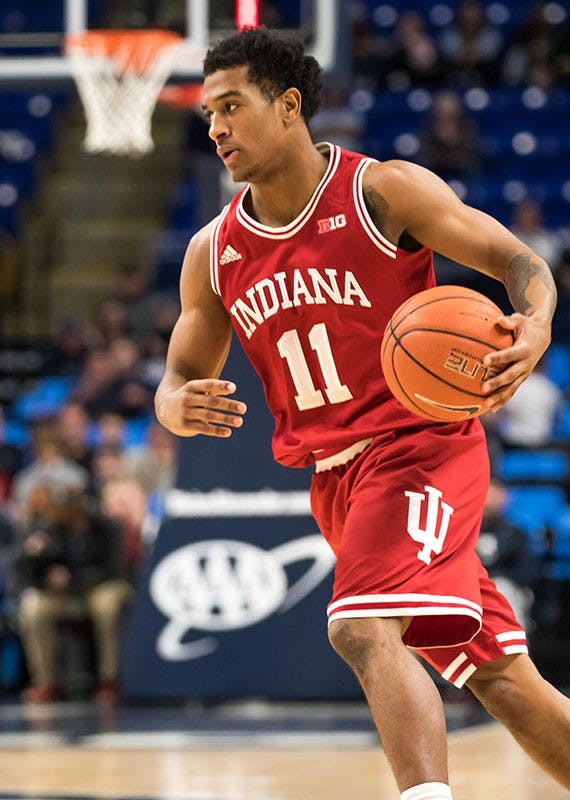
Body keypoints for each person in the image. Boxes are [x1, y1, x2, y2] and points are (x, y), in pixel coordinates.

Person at [155, 28, 568, 800]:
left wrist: (536, 324)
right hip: (335, 484)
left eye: (232, 106)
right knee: (502, 676)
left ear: (287, 107)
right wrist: (175, 403)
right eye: (208, 111)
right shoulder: (212, 253)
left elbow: (522, 264)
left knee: (358, 625)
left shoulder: (381, 193)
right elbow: (179, 373)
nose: (214, 126)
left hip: (423, 447)